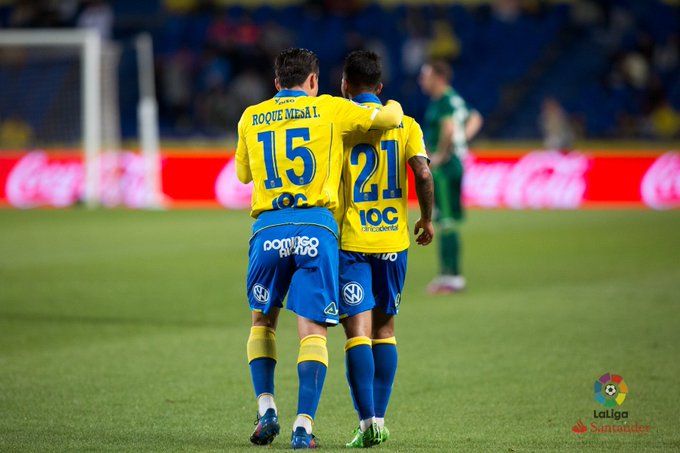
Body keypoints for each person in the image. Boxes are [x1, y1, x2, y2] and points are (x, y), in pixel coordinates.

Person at [235, 48, 404, 450]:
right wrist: (393, 101)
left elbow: (244, 174)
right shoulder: (329, 108)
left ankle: (266, 408)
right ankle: (303, 427)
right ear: (313, 81)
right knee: (313, 332)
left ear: (276, 83)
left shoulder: (250, 116)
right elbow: (388, 118)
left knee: (263, 323)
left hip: (269, 228)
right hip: (317, 229)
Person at [336, 50, 434, 447]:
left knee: (356, 333)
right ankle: (381, 416)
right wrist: (427, 219)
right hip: (393, 241)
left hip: (351, 242)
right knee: (385, 329)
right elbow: (424, 174)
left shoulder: (337, 124)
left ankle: (365, 424)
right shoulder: (406, 124)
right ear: (379, 87)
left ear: (344, 85)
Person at [418, 60, 483, 294]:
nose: (421, 80)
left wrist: (441, 155)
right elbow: (475, 118)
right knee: (446, 220)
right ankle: (448, 275)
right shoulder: (452, 98)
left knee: (445, 222)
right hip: (452, 165)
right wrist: (462, 141)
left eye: (425, 75)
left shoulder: (445, 100)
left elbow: (447, 128)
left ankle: (451, 278)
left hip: (445, 169)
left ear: (438, 77)